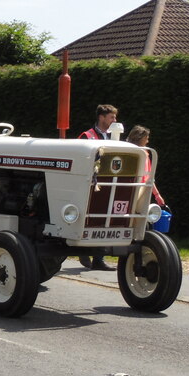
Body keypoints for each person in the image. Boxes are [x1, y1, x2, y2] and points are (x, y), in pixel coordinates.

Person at [77, 104, 119, 270]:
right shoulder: (87, 136)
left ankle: (99, 259)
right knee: (88, 218)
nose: (114, 121)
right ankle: (82, 249)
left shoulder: (114, 137)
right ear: (101, 117)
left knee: (104, 219)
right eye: (112, 118)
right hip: (90, 184)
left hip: (108, 183)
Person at [126, 125, 166, 207]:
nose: (147, 141)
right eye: (146, 139)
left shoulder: (142, 152)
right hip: (136, 190)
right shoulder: (142, 154)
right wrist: (157, 195)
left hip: (133, 189)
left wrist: (157, 195)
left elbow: (149, 177)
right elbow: (149, 177)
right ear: (140, 139)